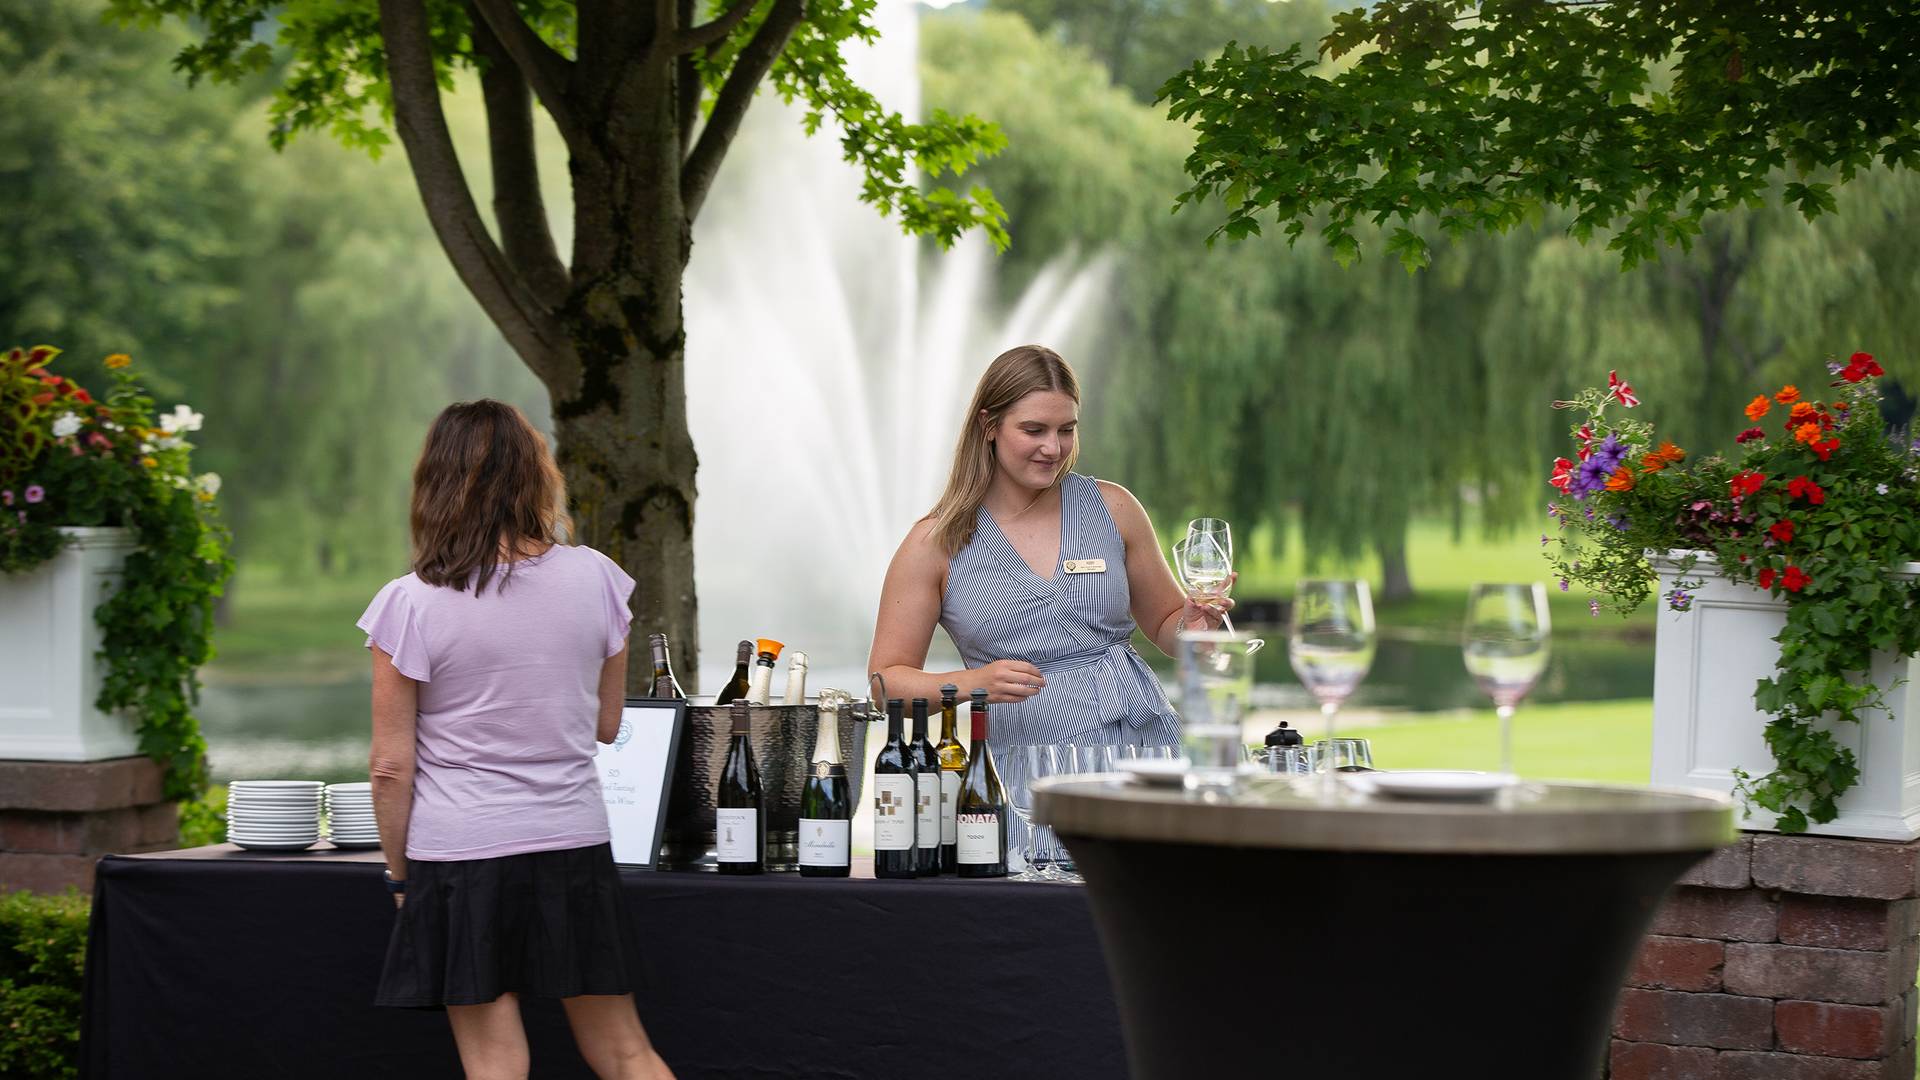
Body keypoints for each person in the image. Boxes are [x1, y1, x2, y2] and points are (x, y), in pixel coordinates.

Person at [357, 400, 675, 1080]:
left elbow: (389, 768)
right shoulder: (597, 578)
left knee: (496, 1063)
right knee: (626, 1052)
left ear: (437, 483)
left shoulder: (408, 603)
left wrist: (400, 876)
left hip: (460, 852)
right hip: (572, 842)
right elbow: (607, 725)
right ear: (536, 477)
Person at [866, 344, 1233, 777]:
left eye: (1066, 429)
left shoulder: (1113, 508)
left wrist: (1193, 627)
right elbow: (884, 683)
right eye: (1034, 430)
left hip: (1144, 755)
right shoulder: (934, 543)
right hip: (1027, 776)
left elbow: (1166, 625)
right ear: (989, 426)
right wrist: (969, 685)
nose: (1053, 448)